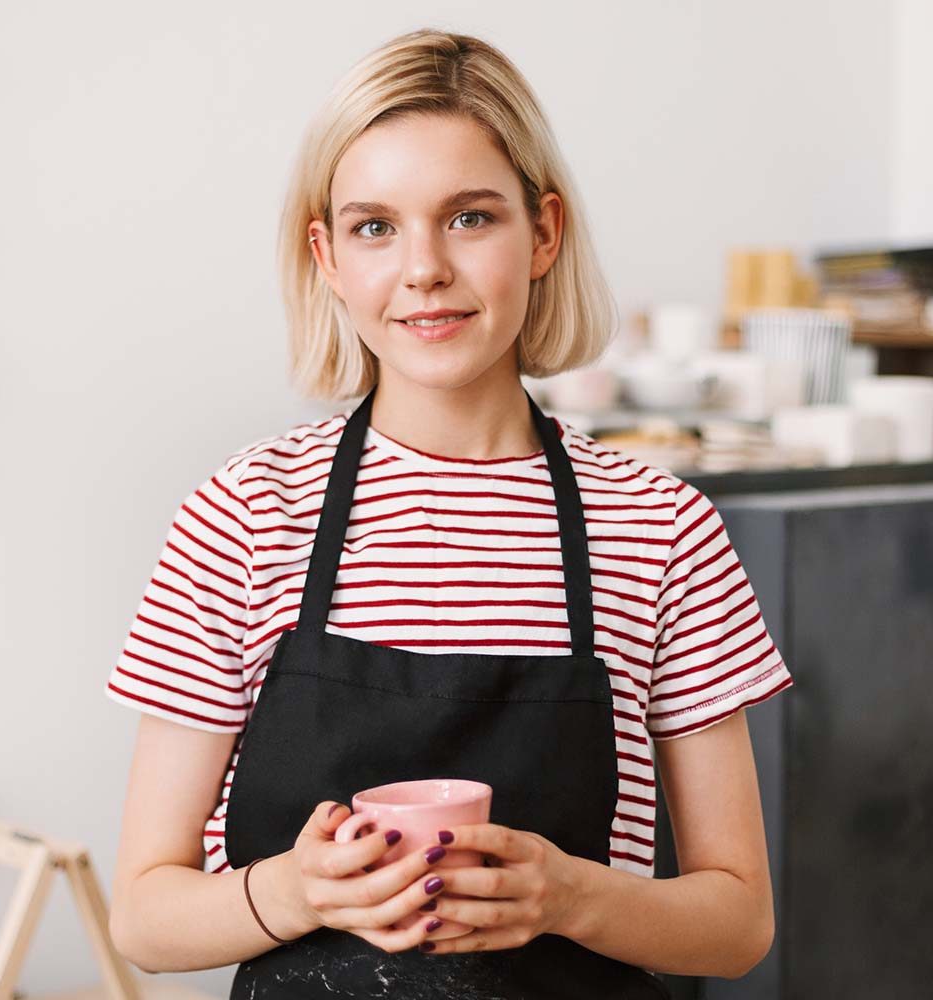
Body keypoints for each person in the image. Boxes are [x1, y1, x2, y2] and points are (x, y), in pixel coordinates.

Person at [104, 27, 794, 998]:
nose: (423, 267)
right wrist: (298, 891)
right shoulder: (244, 515)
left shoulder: (660, 524)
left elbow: (736, 920)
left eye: (470, 217)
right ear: (328, 256)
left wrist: (567, 898)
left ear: (543, 232)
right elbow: (142, 914)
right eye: (375, 226)